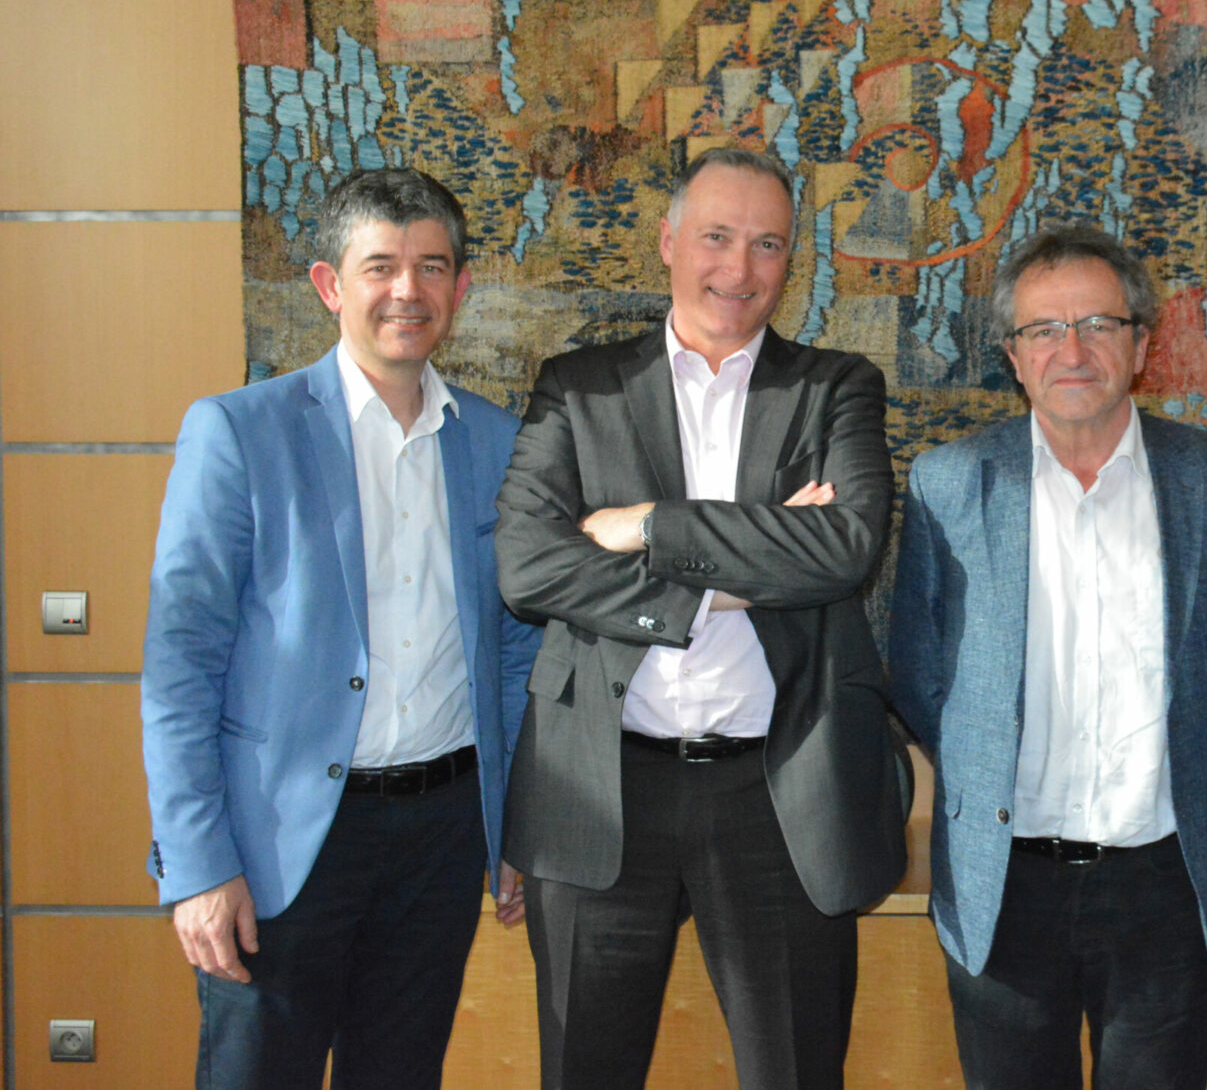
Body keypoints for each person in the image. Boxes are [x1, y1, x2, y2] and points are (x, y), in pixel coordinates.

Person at [494, 146, 906, 1089]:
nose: (740, 268)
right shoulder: (579, 386)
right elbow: (527, 568)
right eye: (717, 236)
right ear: (669, 242)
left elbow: (845, 548)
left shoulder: (837, 386)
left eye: (768, 244)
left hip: (780, 792)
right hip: (599, 783)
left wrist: (646, 525)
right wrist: (739, 575)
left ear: (791, 258)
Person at [142, 167, 540, 1089]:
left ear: (461, 287)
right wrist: (197, 864)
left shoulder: (497, 441)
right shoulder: (239, 432)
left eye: (431, 266)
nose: (409, 290)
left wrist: (517, 821)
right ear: (330, 284)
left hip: (441, 838)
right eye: (381, 266)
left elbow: (517, 647)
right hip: (279, 844)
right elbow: (181, 665)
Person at [890, 223, 1207, 1090]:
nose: (1072, 351)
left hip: (1165, 880)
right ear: (1013, 355)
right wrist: (981, 764)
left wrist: (1193, 762)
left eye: (1099, 324)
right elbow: (919, 670)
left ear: (1141, 345)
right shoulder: (949, 483)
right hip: (1004, 881)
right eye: (1044, 329)